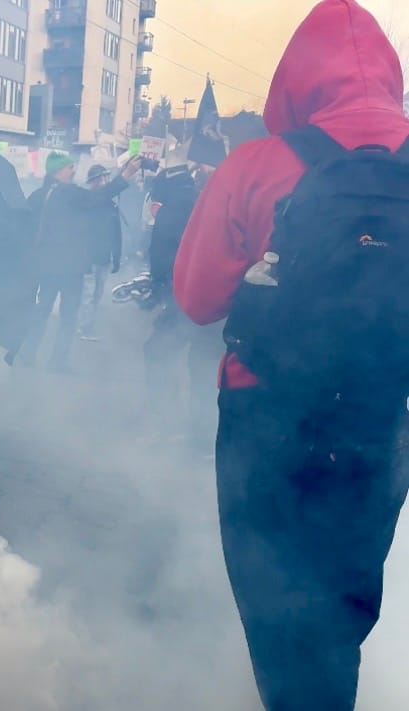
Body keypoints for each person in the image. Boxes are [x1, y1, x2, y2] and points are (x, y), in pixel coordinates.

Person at [174, 2, 409, 709]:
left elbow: (195, 298)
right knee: (339, 605)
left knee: (275, 606)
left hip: (264, 411)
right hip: (377, 418)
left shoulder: (253, 163)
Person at [18, 152, 139, 370]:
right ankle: (58, 362)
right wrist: (126, 175)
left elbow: (23, 226)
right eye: (69, 168)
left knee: (42, 310)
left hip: (46, 266)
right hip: (70, 268)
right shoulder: (70, 194)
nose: (73, 171)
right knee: (68, 316)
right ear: (57, 172)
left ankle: (27, 354)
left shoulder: (38, 195)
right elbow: (99, 197)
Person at [142, 164, 221, 451]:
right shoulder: (208, 203)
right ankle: (201, 439)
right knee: (202, 365)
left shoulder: (171, 211)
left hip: (184, 298)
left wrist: (158, 293)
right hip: (218, 300)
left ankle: (165, 427)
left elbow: (162, 259)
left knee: (156, 353)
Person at [78, 164, 123, 341]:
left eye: (105, 178)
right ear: (92, 182)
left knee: (96, 294)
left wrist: (117, 256)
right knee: (87, 294)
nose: (103, 182)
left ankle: (88, 323)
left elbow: (116, 232)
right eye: (100, 178)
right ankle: (83, 328)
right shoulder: (87, 202)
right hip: (88, 257)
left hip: (104, 257)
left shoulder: (111, 205)